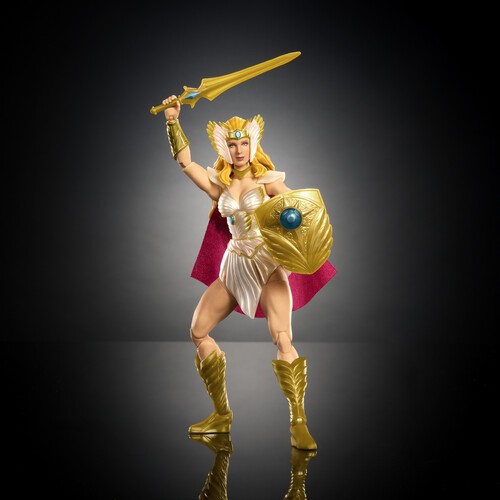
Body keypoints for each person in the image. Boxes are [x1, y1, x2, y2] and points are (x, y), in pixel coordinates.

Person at [162, 95, 336, 450]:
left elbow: (303, 209)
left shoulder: (268, 181)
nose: (239, 150)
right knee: (198, 331)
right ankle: (221, 415)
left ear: (253, 144)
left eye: (243, 143)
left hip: (269, 267)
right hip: (234, 265)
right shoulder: (220, 185)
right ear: (224, 148)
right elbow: (186, 163)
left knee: (282, 338)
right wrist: (172, 121)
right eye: (232, 144)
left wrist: (299, 229)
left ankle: (299, 422)